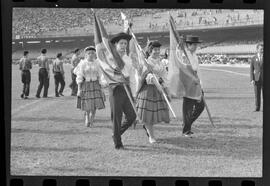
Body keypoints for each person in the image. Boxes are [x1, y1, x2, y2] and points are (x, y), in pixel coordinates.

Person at [136, 41, 170, 143]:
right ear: (150, 51)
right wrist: (156, 82)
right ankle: (151, 136)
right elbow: (147, 76)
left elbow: (164, 75)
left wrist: (164, 86)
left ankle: (148, 130)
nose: (157, 51)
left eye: (158, 50)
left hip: (158, 90)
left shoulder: (160, 62)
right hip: (148, 90)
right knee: (148, 115)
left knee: (153, 114)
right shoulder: (147, 62)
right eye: (155, 49)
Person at [107, 32, 136, 149]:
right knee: (117, 117)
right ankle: (118, 143)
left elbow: (132, 76)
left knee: (132, 116)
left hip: (127, 89)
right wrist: (110, 81)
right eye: (121, 43)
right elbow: (104, 74)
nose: (124, 46)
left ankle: (116, 134)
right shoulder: (109, 59)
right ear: (116, 45)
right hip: (115, 89)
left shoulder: (128, 59)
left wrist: (133, 93)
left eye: (125, 43)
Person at [76, 46, 106, 127]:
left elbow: (101, 76)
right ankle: (87, 117)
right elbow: (79, 76)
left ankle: (91, 120)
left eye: (92, 53)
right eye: (89, 53)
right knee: (87, 103)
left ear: (95, 54)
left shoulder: (98, 63)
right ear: (86, 55)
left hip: (96, 85)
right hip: (86, 85)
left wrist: (102, 87)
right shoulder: (82, 63)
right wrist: (79, 89)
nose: (91, 55)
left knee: (94, 104)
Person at [181, 35, 205, 137]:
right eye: (194, 45)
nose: (196, 47)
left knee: (201, 106)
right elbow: (184, 71)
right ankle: (186, 130)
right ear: (188, 45)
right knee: (188, 109)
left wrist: (201, 84)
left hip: (197, 84)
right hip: (188, 86)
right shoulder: (184, 56)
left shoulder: (195, 56)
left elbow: (197, 70)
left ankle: (187, 123)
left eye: (196, 45)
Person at [250, 43, 263, 112]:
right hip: (257, 79)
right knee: (257, 94)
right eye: (261, 49)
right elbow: (251, 69)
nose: (262, 50)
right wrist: (252, 79)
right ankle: (257, 108)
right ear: (257, 49)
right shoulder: (253, 58)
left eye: (262, 49)